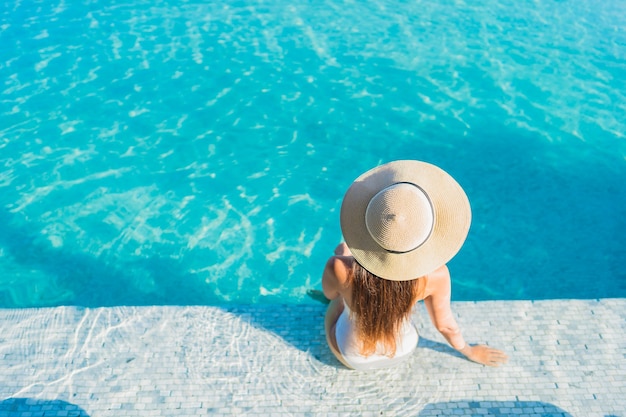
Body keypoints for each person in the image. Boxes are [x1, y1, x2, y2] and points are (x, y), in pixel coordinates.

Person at [322, 160, 508, 370]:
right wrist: (469, 351)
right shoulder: (436, 276)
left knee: (335, 302)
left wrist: (344, 254)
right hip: (402, 350)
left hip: (351, 356)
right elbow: (445, 325)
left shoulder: (338, 267)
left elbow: (329, 294)